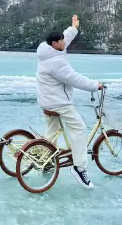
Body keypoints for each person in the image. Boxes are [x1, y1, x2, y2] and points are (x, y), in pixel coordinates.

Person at [36, 14, 103, 190]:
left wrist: (73, 28)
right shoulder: (55, 62)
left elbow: (65, 37)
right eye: (61, 41)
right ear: (54, 44)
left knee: (52, 131)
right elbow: (74, 78)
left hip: (46, 100)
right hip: (58, 102)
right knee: (79, 128)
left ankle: (45, 159)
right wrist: (94, 85)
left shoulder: (47, 51)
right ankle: (79, 168)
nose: (64, 42)